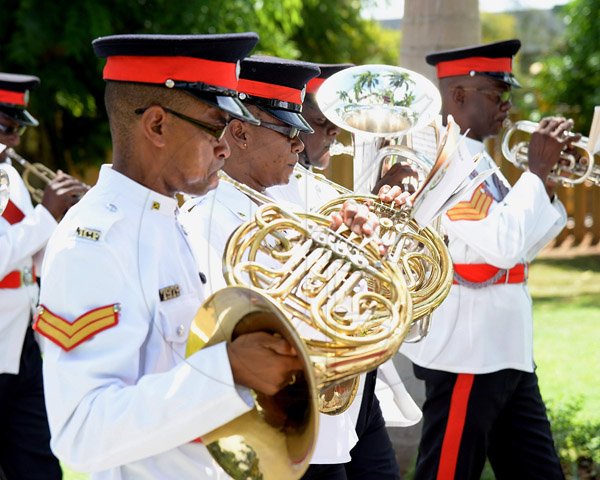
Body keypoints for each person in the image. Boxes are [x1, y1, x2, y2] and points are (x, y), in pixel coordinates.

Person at [33, 33, 313, 479]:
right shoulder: (93, 243)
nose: (227, 145)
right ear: (157, 125)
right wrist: (229, 368)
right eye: (215, 124)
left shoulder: (171, 217)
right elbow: (80, 433)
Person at [180, 56, 403, 480]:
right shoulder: (206, 220)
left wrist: (360, 256)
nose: (300, 145)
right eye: (288, 132)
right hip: (273, 427)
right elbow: (240, 330)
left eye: (302, 133)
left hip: (324, 419)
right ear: (241, 132)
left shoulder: (289, 204)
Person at [400, 39, 573, 479]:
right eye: (497, 95)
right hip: (468, 353)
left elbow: (519, 250)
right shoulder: (442, 166)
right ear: (459, 96)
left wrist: (545, 185)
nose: (507, 107)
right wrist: (534, 174)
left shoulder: (481, 161)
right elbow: (500, 243)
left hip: (506, 348)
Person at [0, 72, 88, 479]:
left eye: (18, 128)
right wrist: (46, 214)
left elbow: (29, 259)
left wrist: (68, 221)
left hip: (23, 344)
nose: (15, 140)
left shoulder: (12, 177)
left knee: (38, 463)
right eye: (6, 128)